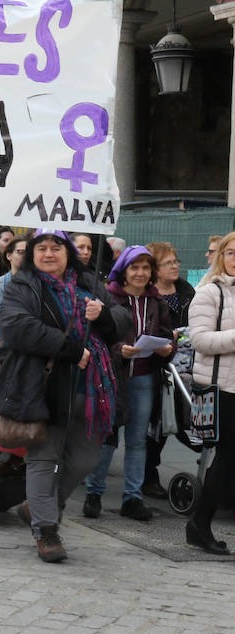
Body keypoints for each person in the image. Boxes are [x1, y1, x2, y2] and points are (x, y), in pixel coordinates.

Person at [0, 229, 129, 562]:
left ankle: (41, 507)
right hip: (44, 386)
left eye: (57, 247)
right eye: (42, 248)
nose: (49, 253)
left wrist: (105, 315)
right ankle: (46, 530)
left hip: (91, 390)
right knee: (44, 458)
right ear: (32, 254)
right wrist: (70, 348)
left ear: (69, 252)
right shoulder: (23, 285)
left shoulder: (89, 282)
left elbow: (123, 319)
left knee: (85, 459)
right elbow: (17, 327)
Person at [81, 246, 173, 522]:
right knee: (108, 437)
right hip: (112, 377)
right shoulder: (108, 298)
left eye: (146, 268)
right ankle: (94, 494)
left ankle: (132, 498)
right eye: (135, 267)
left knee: (137, 440)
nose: (141, 273)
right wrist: (118, 349)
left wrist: (168, 348)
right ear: (123, 271)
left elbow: (168, 335)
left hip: (144, 377)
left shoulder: (157, 302)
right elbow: (95, 337)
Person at [181, 232, 235, 554]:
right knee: (227, 458)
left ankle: (199, 524)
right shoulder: (209, 292)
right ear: (220, 257)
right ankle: (199, 523)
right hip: (220, 389)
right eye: (230, 252)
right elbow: (199, 340)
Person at [143, 240, 194, 497]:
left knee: (187, 419)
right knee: (157, 422)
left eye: (176, 261)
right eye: (168, 263)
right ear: (155, 268)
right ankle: (148, 475)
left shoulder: (186, 291)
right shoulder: (148, 296)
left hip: (186, 364)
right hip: (156, 366)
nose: (174, 266)